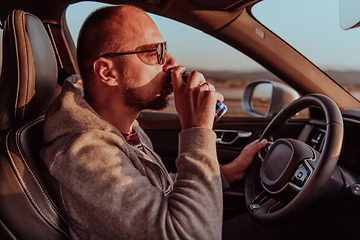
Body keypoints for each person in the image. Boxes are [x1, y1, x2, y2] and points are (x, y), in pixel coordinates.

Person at [40, 5, 267, 240]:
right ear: (107, 73)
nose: (171, 62)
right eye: (154, 53)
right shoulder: (82, 155)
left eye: (165, 49)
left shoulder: (124, 127)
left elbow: (158, 189)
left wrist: (227, 174)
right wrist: (196, 131)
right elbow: (191, 235)